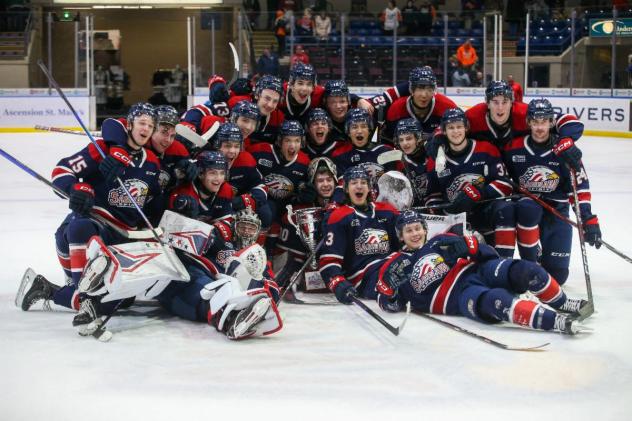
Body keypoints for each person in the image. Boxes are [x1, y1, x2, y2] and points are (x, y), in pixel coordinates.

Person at [17, 103, 163, 322]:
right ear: (130, 124)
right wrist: (77, 189)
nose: (146, 129)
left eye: (151, 126)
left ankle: (49, 291)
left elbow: (151, 201)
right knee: (80, 225)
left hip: (123, 236)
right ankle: (84, 297)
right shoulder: (102, 149)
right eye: (142, 123)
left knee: (121, 301)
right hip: (94, 225)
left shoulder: (152, 162)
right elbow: (62, 170)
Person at [374, 210, 590, 336]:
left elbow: (489, 253)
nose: (415, 233)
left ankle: (563, 303)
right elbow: (387, 303)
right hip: (460, 297)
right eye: (409, 230)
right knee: (498, 301)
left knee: (527, 270)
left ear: (425, 229)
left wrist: (471, 247)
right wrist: (391, 291)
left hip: (480, 271)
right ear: (400, 236)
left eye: (418, 228)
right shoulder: (394, 265)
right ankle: (558, 322)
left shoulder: (439, 241)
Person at [503, 98, 602, 285]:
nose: (540, 128)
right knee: (526, 207)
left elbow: (579, 186)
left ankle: (543, 254)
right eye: (535, 122)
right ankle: (531, 256)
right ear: (528, 123)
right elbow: (503, 179)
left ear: (551, 122)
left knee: (558, 277)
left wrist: (588, 219)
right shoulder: (513, 148)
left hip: (557, 210)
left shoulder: (564, 150)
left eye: (544, 122)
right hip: (527, 211)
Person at [425, 108, 516, 258]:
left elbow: (505, 185)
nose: (456, 132)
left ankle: (504, 261)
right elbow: (432, 195)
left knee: (506, 209)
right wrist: (442, 214)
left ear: (466, 128)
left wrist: (479, 194)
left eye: (459, 127)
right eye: (451, 128)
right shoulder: (436, 159)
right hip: (455, 219)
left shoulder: (486, 149)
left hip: (484, 211)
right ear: (444, 131)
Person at [319, 165, 400, 304]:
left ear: (369, 188)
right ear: (346, 189)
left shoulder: (387, 211)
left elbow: (404, 246)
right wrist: (337, 283)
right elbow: (329, 261)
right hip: (365, 277)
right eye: (354, 183)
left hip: (393, 265)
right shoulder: (339, 217)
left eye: (363, 182)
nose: (359, 186)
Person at [383, 66, 457, 144]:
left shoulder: (447, 107)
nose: (424, 95)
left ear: (434, 90)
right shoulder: (396, 109)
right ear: (411, 90)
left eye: (429, 89)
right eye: (420, 88)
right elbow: (389, 141)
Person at [228, 74, 285, 145]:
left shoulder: (278, 117)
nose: (270, 105)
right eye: (267, 98)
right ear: (257, 94)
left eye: (275, 101)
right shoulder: (239, 104)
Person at [393, 118, 430, 206]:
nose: (405, 143)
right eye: (401, 140)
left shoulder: (432, 154)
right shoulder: (397, 162)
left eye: (409, 138)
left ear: (418, 138)